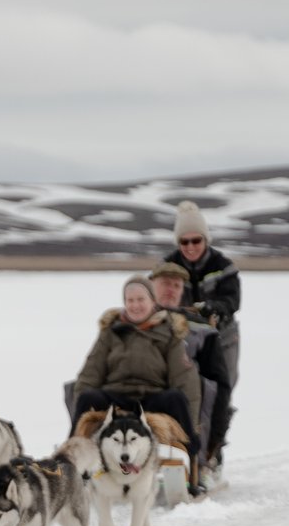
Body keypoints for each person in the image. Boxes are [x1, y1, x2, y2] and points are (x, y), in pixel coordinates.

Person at [68, 274, 204, 496]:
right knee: (88, 398)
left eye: (140, 299)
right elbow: (91, 372)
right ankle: (72, 468)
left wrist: (194, 423)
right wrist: (82, 397)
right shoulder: (111, 331)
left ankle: (191, 471)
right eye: (130, 300)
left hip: (152, 396)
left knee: (176, 398)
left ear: (152, 301)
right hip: (116, 395)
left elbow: (184, 378)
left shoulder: (168, 332)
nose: (135, 305)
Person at [162, 201, 241, 482]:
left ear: (205, 239)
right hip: (183, 336)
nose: (190, 246)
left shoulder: (223, 266)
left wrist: (213, 307)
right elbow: (156, 291)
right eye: (184, 241)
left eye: (196, 240)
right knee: (184, 390)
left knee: (221, 390)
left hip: (223, 337)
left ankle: (212, 451)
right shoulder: (168, 265)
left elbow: (233, 299)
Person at [149, 262, 231, 465]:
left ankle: (198, 459)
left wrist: (216, 438)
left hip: (183, 393)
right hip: (139, 387)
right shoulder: (135, 319)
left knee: (207, 387)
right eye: (165, 284)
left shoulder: (200, 329)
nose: (170, 290)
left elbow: (218, 380)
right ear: (152, 286)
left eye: (176, 286)